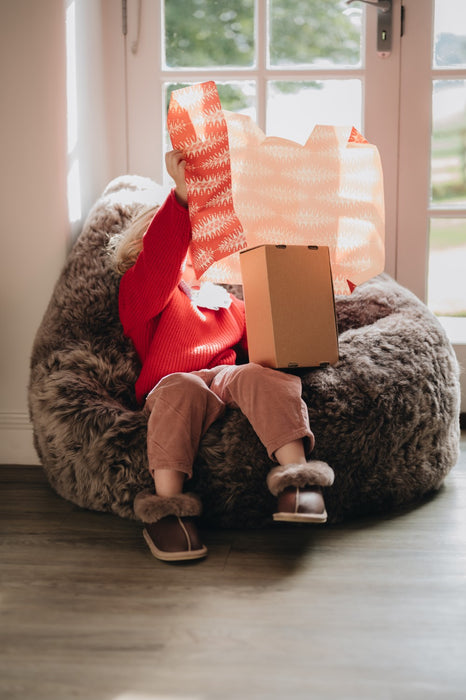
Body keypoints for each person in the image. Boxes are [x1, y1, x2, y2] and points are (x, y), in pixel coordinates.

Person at [113, 150, 334, 562]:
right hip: (173, 385)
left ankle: (298, 480)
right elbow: (160, 262)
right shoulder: (143, 295)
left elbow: (275, 338)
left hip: (225, 381)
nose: (203, 252)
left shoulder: (227, 302)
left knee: (260, 374)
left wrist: (308, 288)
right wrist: (181, 199)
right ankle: (167, 509)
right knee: (183, 386)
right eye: (191, 241)